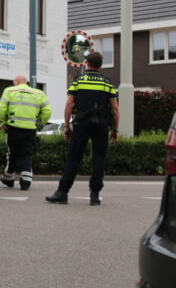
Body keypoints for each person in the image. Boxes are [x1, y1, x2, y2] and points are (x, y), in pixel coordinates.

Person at [46, 51, 120, 205]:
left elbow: (69, 104)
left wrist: (67, 126)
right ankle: (94, 195)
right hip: (101, 124)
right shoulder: (107, 83)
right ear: (100, 65)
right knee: (99, 158)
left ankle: (62, 192)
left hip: (82, 123)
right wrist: (115, 130)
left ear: (87, 63)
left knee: (74, 158)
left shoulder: (79, 81)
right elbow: (115, 109)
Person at [0, 75, 51, 190]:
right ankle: (26, 182)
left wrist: (2, 123)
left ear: (16, 82)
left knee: (12, 154)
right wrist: (39, 123)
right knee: (27, 154)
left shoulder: (10, 91)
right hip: (30, 129)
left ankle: (9, 179)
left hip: (13, 127)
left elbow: (1, 108)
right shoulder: (39, 93)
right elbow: (47, 111)